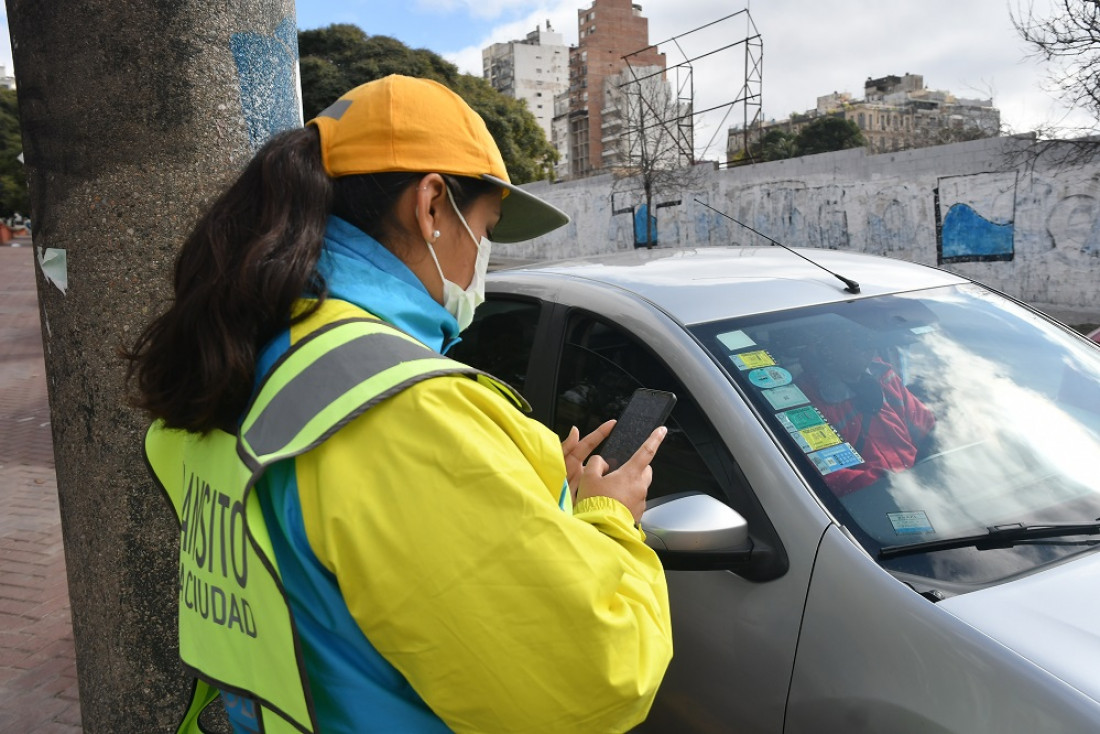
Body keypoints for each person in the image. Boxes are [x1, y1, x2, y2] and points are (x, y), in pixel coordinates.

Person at [126, 75, 672, 734]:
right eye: (489, 228)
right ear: (433, 206)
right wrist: (609, 518)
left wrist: (513, 485)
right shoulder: (404, 411)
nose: (484, 263)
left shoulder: (258, 344)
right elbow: (596, 679)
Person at [799, 325, 935, 496]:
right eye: (856, 340)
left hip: (919, 489)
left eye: (869, 339)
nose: (868, 347)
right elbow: (829, 475)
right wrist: (888, 484)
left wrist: (938, 462)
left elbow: (929, 429)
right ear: (827, 348)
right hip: (874, 500)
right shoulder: (807, 402)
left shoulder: (883, 376)